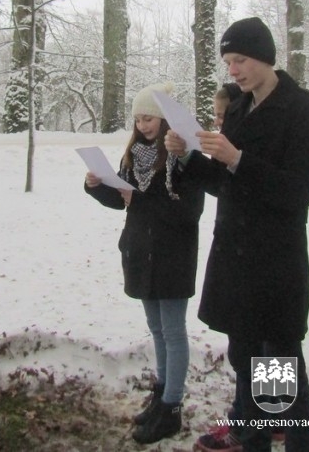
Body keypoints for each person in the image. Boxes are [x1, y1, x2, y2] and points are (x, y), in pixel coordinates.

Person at [164, 17, 309, 452]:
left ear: (266, 57)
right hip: (234, 261)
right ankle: (252, 444)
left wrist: (237, 158)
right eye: (227, 62)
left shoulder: (304, 108)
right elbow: (223, 183)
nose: (232, 70)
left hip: (274, 264)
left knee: (281, 383)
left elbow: (299, 192)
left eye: (240, 60)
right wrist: (187, 159)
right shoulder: (238, 107)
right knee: (246, 365)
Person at [84, 82, 205, 444]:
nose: (143, 125)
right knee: (156, 328)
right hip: (139, 251)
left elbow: (190, 211)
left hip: (172, 254)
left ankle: (171, 407)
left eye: (149, 118)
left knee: (173, 330)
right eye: (138, 119)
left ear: (165, 119)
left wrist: (141, 200)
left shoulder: (183, 157)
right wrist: (96, 185)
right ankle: (161, 394)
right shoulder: (134, 154)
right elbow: (123, 201)